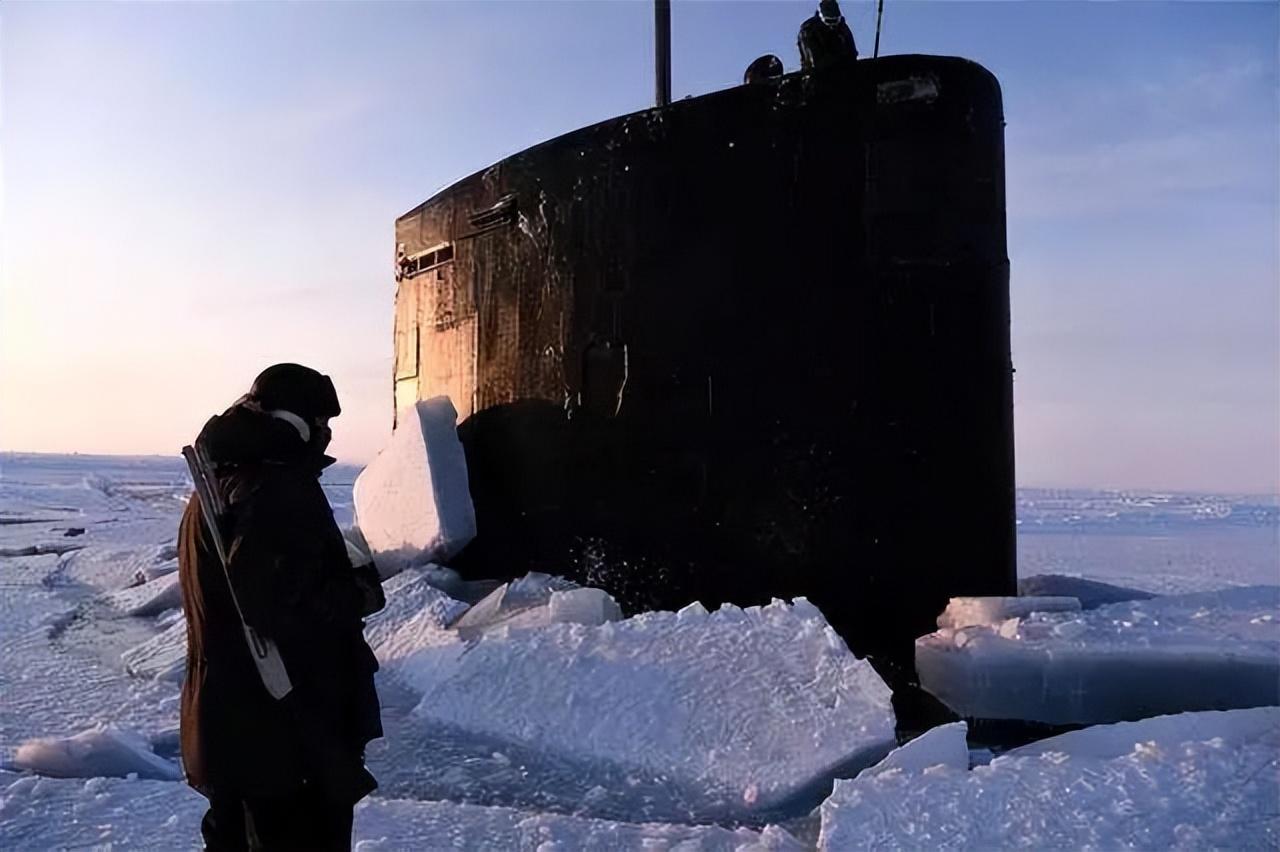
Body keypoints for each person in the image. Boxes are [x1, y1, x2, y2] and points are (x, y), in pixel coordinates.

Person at [178, 363, 385, 851]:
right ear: (299, 423)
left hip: (236, 726)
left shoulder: (221, 481)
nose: (327, 437)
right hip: (282, 735)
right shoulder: (274, 486)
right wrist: (357, 592)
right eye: (322, 424)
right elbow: (277, 605)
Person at [798, 0, 859, 72]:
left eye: (835, 21)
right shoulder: (808, 30)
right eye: (829, 21)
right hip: (818, 75)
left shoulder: (842, 27)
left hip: (844, 72)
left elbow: (852, 53)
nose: (832, 26)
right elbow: (815, 61)